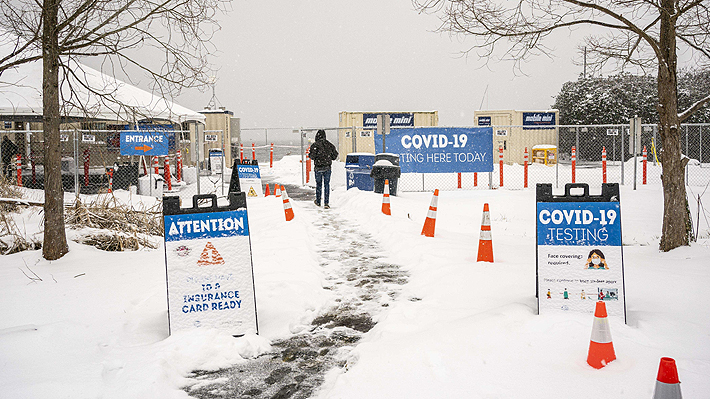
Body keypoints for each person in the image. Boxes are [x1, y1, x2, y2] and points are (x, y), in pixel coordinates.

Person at [309, 129, 338, 208]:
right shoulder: (329, 145)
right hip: (327, 167)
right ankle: (326, 203)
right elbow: (335, 156)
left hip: (318, 168)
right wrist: (328, 157)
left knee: (318, 185)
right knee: (326, 185)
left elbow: (312, 156)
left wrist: (316, 157)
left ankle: (318, 201)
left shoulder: (315, 145)